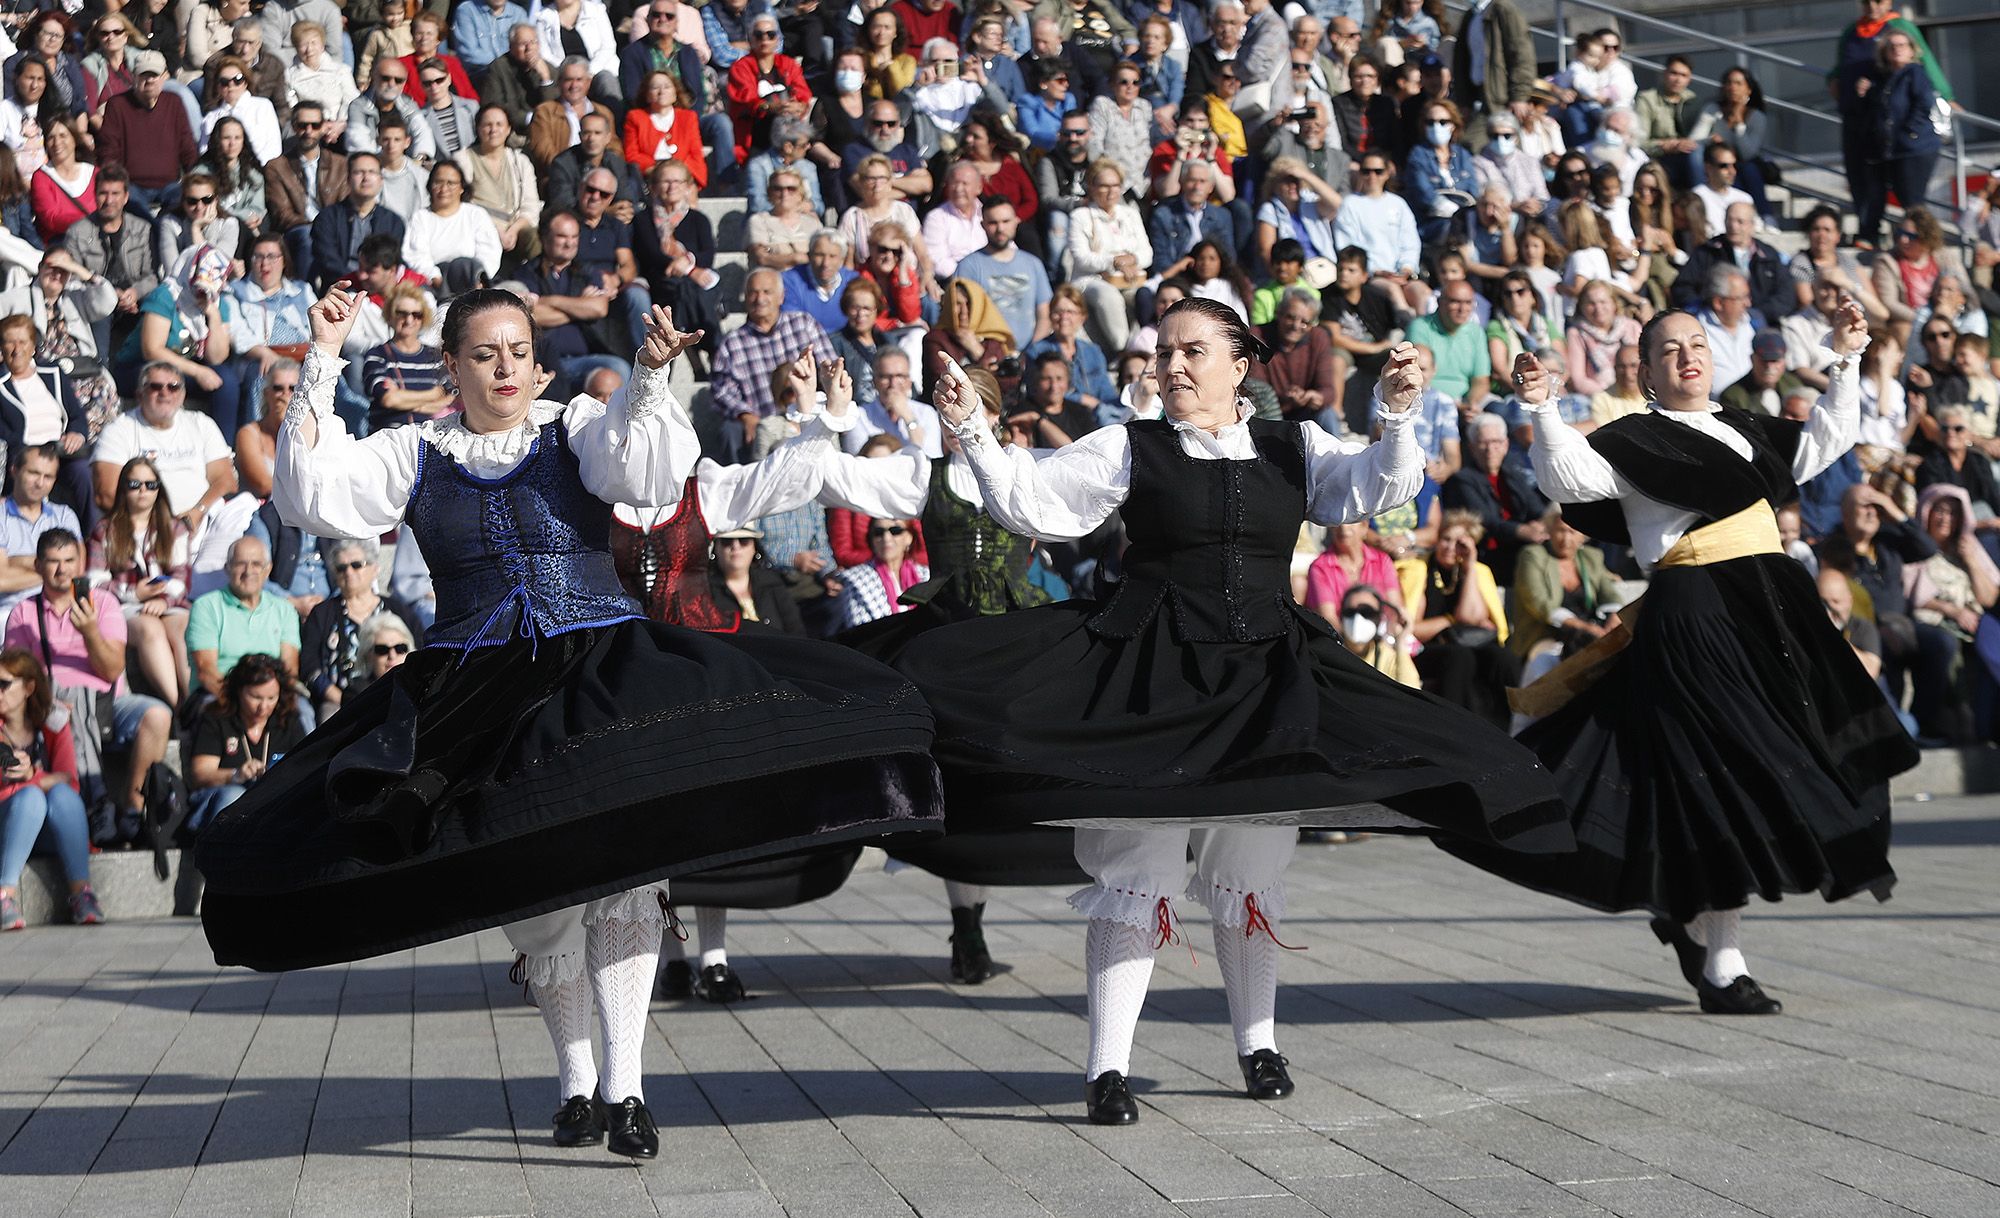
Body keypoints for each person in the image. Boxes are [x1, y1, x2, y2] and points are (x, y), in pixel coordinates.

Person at [195, 283, 942, 1165]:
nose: (505, 367)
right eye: (484, 353)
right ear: (451, 367)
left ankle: (627, 1088)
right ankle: (575, 1079)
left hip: (596, 665)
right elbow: (313, 492)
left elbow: (645, 473)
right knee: (536, 901)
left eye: (517, 350)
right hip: (473, 683)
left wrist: (649, 377)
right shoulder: (415, 450)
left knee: (623, 873)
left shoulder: (575, 423)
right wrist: (320, 359)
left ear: (537, 359)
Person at [897, 303, 1568, 1124]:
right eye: (1163, 352)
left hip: (1263, 680)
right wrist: (972, 429)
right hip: (1148, 678)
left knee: (1250, 871)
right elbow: (1036, 506)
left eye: (1192, 351)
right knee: (1138, 870)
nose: (1172, 365)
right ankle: (1107, 1068)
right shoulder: (1130, 443)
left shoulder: (1294, 447)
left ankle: (1259, 1042)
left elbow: (1380, 488)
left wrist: (1395, 410)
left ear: (1241, 363)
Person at [1450, 301, 1914, 1017]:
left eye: (1697, 344)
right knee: (1722, 775)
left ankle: (1691, 915)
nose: (1687, 357)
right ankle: (1723, 965)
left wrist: (1848, 359)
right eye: (1668, 351)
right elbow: (1571, 480)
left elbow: (1826, 440)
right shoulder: (1634, 440)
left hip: (1771, 614)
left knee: (1784, 765)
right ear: (1645, 373)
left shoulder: (1746, 429)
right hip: (1696, 613)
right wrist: (1542, 410)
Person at [1832, 0, 1953, 249]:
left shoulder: (1900, 29)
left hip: (1905, 142)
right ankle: (1869, 234)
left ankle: (1919, 242)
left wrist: (1946, 96)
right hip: (1868, 129)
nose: (1873, 5)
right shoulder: (1851, 33)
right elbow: (1840, 68)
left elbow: (1927, 76)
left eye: (1879, 0)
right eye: (1867, 1)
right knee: (1867, 187)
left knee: (1909, 197)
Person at [0, 648, 96, 931]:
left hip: (45, 827)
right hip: (7, 823)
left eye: (3, 684)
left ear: (29, 687)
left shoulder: (52, 724)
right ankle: (4, 895)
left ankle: (82, 893)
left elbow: (69, 781)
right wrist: (39, 781)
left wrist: (30, 774)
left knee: (62, 797)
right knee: (31, 798)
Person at [88, 455, 192, 703]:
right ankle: (178, 706)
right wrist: (135, 593)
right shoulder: (105, 530)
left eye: (150, 484)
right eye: (134, 484)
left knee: (182, 632)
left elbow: (182, 577)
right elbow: (95, 582)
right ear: (123, 488)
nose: (143, 490)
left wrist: (164, 601)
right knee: (150, 628)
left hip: (170, 604)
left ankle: (194, 703)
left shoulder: (175, 528)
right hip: (125, 607)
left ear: (159, 488)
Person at [713, 267, 836, 462]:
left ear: (781, 297)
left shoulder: (803, 324)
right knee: (729, 431)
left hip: (807, 413)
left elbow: (829, 369)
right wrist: (745, 415)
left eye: (767, 292)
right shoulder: (733, 343)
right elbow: (721, 392)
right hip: (760, 421)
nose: (759, 298)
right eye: (753, 292)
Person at [299, 537, 425, 719]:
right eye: (341, 568)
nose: (349, 572)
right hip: (338, 704)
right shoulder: (322, 614)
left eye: (356, 565)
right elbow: (309, 666)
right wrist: (344, 699)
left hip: (397, 698)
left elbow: (420, 653)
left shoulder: (398, 611)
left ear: (374, 568)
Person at [186, 651, 308, 831]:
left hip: (270, 801)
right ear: (238, 691)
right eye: (256, 697)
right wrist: (235, 775)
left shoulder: (288, 720)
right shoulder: (218, 717)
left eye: (271, 698)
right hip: (219, 799)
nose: (263, 706)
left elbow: (304, 767)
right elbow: (200, 775)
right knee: (234, 797)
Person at [1508, 506, 1621, 660]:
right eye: (1560, 530)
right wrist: (1585, 628)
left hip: (1594, 632)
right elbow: (1539, 604)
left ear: (1583, 535)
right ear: (1550, 531)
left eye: (1572, 532)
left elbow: (1610, 595)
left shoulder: (1591, 557)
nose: (1566, 539)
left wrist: (1613, 619)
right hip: (1548, 636)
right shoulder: (1533, 556)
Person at [97, 51, 197, 214]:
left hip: (170, 186)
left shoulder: (174, 102)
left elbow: (187, 147)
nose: (149, 80)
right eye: (144, 75)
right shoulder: (117, 105)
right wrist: (117, 184)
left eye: (155, 75)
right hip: (132, 186)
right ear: (133, 76)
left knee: (185, 201)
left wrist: (195, 176)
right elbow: (108, 150)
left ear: (165, 76)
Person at [400, 160, 499, 297]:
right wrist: (435, 277)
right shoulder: (420, 217)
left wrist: (480, 277)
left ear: (462, 187)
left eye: (451, 183)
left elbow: (489, 252)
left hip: (473, 280)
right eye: (438, 182)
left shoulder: (476, 214)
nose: (444, 189)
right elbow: (416, 255)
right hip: (435, 285)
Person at [456, 102, 539, 262]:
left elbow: (531, 205)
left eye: (499, 124)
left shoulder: (520, 161)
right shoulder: (463, 159)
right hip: (479, 228)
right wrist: (495, 230)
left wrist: (513, 231)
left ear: (508, 129)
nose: (493, 130)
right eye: (487, 125)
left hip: (514, 228)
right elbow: (462, 204)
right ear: (478, 129)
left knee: (532, 236)